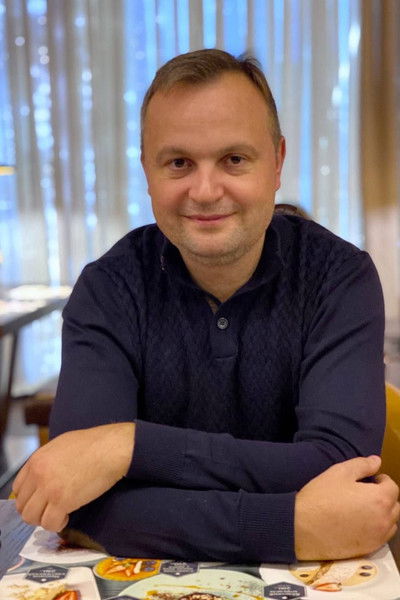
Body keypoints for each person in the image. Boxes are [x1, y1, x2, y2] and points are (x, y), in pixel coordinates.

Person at [13, 49, 399, 563]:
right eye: (179, 163)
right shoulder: (108, 288)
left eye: (234, 159)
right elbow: (78, 500)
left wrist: (126, 447)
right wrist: (287, 526)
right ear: (147, 170)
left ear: (277, 162)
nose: (206, 190)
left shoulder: (339, 277)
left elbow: (338, 465)